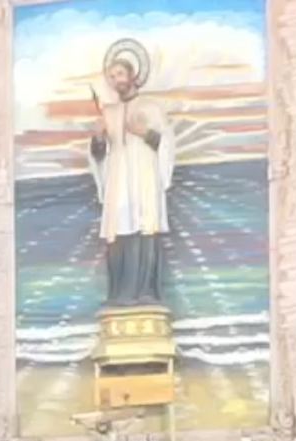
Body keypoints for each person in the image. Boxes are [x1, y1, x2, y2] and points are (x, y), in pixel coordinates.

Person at [88, 39, 176, 307]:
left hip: (145, 181)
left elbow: (168, 142)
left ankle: (146, 292)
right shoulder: (109, 113)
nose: (117, 80)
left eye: (121, 74)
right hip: (118, 182)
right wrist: (99, 138)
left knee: (145, 227)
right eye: (112, 76)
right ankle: (119, 294)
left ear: (133, 76)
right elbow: (98, 156)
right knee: (118, 229)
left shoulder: (152, 107)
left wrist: (146, 133)